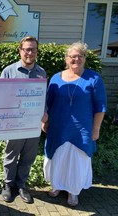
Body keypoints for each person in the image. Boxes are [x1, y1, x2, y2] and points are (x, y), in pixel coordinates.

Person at [42, 41, 107, 207]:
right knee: (57, 158)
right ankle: (56, 186)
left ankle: (73, 191)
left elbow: (100, 106)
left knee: (77, 161)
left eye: (80, 56)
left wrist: (96, 129)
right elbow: (48, 102)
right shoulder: (56, 77)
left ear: (85, 58)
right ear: (66, 58)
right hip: (58, 127)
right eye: (72, 56)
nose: (76, 59)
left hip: (82, 129)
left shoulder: (94, 78)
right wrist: (45, 121)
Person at [0, 36, 46, 203]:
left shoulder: (41, 73)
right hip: (14, 123)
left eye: (33, 49)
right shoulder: (9, 71)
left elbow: (43, 98)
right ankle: (7, 185)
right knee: (11, 156)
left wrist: (45, 113)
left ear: (36, 52)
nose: (29, 52)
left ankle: (21, 185)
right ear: (20, 50)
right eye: (26, 49)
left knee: (28, 157)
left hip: (33, 124)